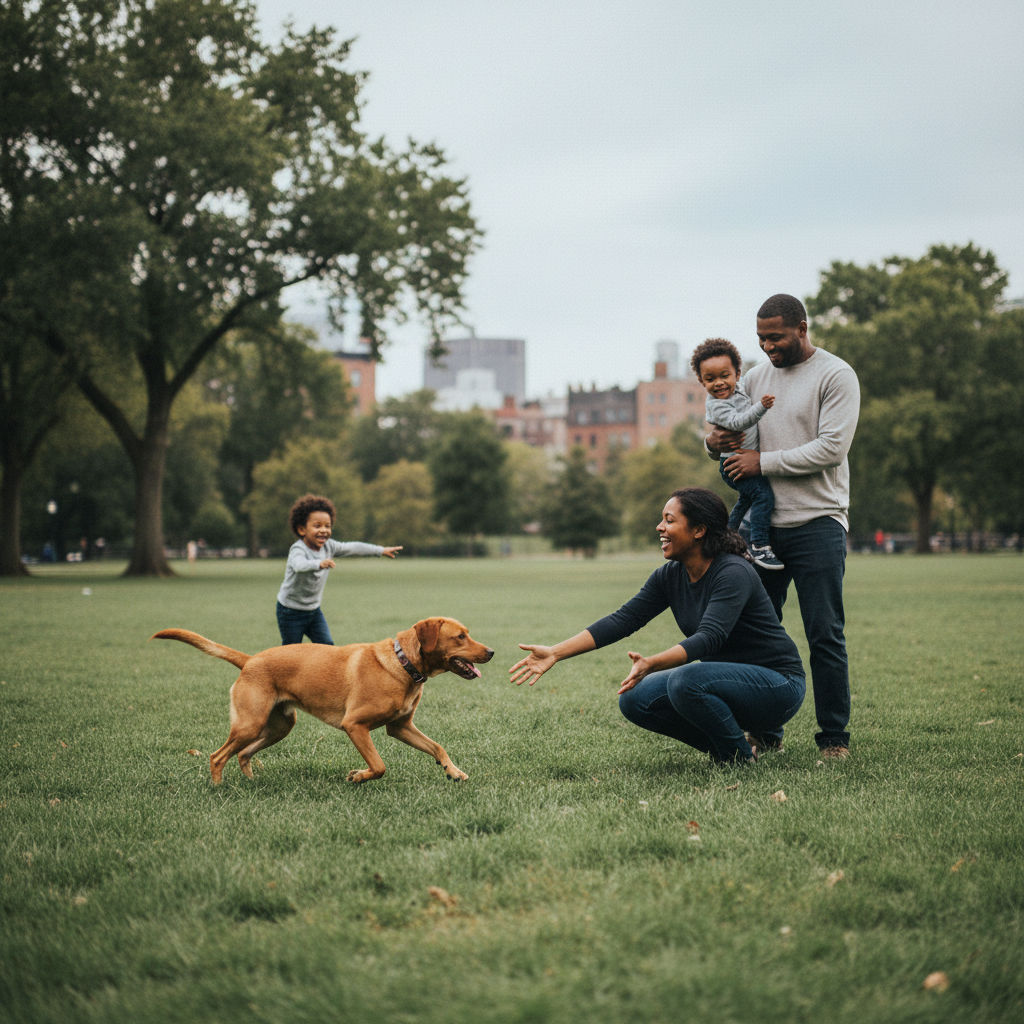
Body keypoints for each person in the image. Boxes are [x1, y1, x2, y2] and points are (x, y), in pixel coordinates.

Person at [509, 488, 806, 765]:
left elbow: (709, 638)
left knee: (685, 681)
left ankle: (739, 759)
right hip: (725, 683)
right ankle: (727, 748)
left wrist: (653, 662)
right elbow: (623, 620)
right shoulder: (670, 575)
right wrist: (555, 653)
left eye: (669, 520)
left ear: (699, 530)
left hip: (778, 687)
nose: (659, 527)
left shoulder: (732, 571)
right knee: (635, 698)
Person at [707, 293, 860, 760]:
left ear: (802, 328)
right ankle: (764, 732)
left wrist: (762, 463)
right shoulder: (754, 377)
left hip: (818, 522)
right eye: (760, 338)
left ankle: (833, 738)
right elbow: (730, 428)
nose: (767, 346)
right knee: (760, 634)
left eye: (775, 337)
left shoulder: (835, 375)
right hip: (762, 528)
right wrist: (713, 444)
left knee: (824, 633)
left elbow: (831, 448)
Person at [691, 337, 784, 570]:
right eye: (710, 379)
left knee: (746, 499)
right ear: (702, 381)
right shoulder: (717, 405)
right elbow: (739, 421)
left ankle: (727, 538)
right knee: (763, 497)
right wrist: (761, 407)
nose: (719, 383)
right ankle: (759, 545)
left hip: (740, 459)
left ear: (737, 373)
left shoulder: (738, 391)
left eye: (725, 375)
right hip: (733, 464)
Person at [276, 493, 402, 646]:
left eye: (327, 526)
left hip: (313, 611)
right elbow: (299, 565)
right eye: (317, 526)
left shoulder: (329, 546)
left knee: (328, 647)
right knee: (291, 651)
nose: (324, 530)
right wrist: (318, 563)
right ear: (302, 529)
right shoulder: (298, 549)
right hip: (290, 611)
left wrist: (380, 550)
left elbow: (352, 547)